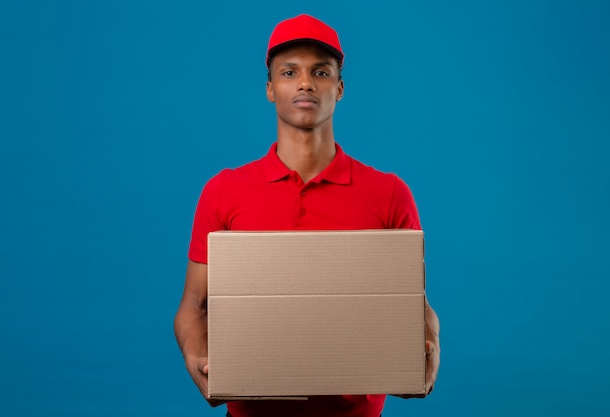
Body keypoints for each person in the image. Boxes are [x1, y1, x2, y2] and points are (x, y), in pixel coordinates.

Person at [174, 14, 440, 417]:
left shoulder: (389, 193)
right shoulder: (224, 191)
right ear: (269, 88)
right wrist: (197, 356)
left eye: (320, 71)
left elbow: (414, 304)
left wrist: (430, 346)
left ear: (340, 87)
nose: (305, 83)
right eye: (289, 72)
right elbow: (194, 304)